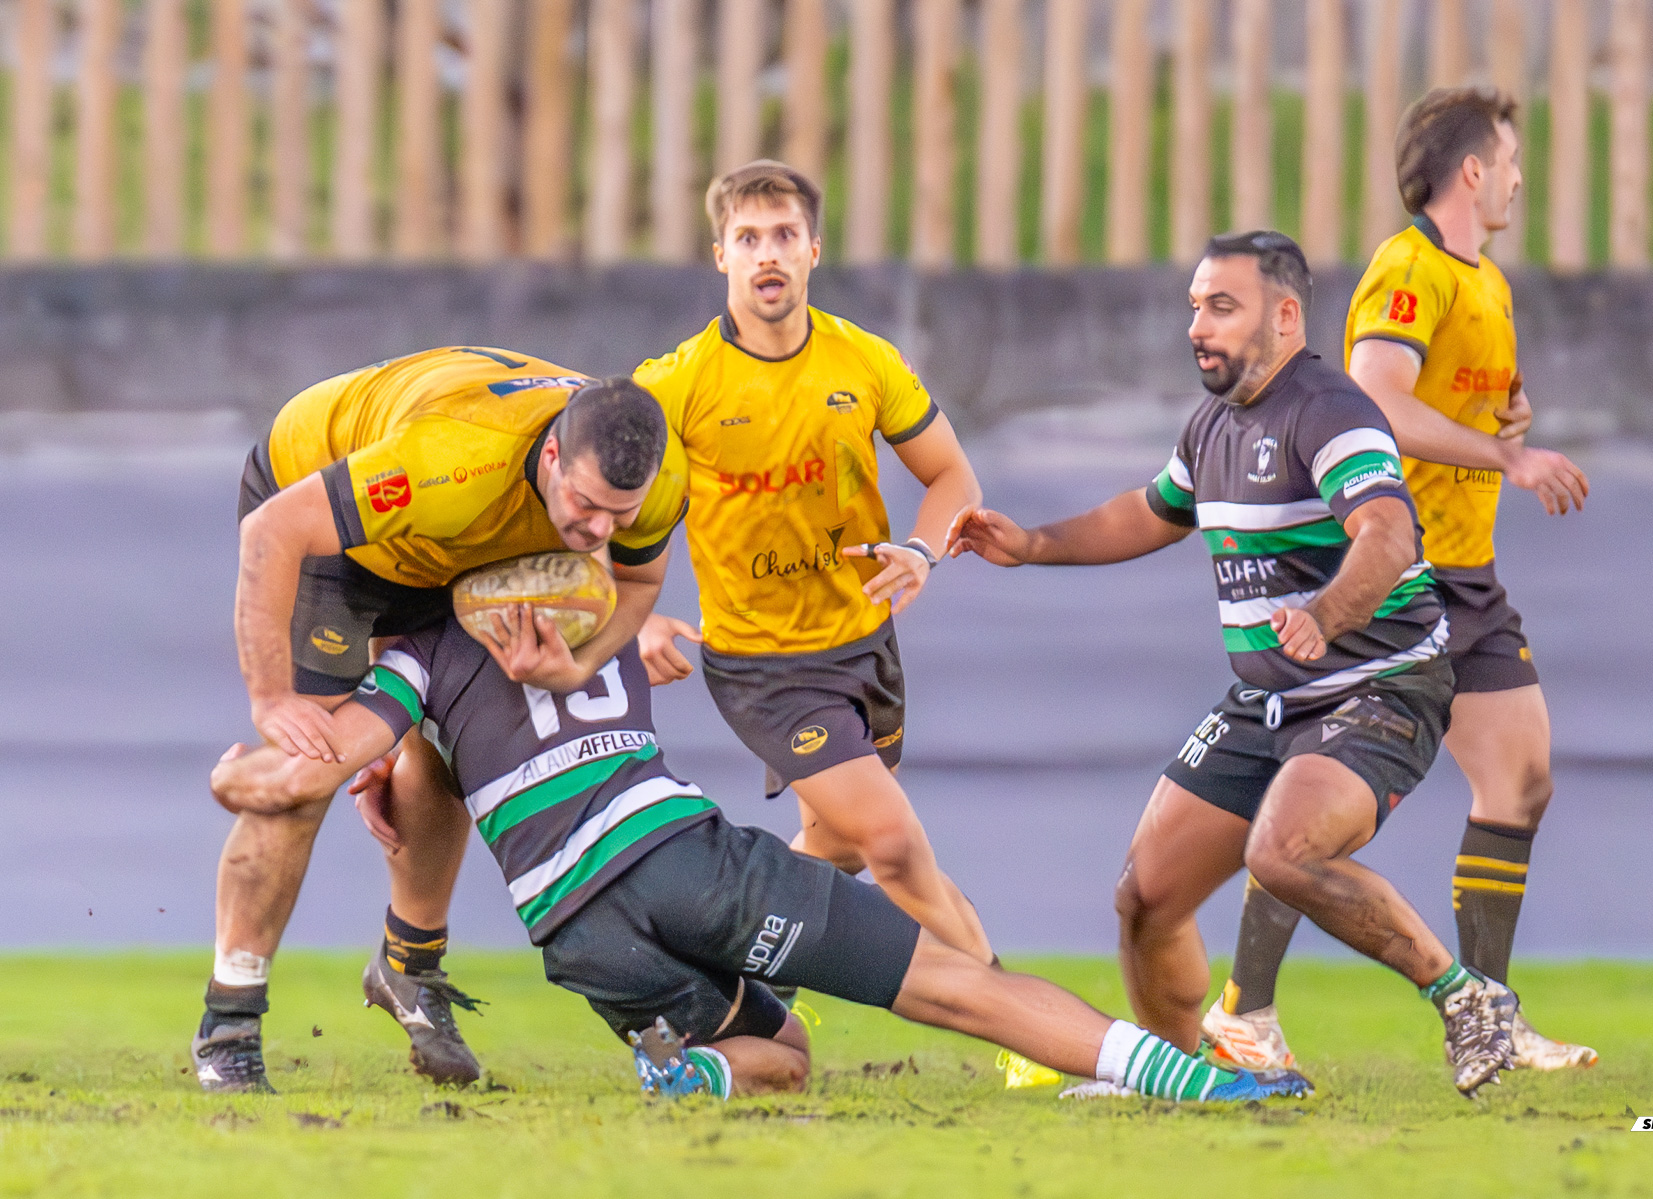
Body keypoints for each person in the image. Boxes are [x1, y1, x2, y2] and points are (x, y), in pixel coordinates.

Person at [206, 605, 1312, 1107]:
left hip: (576, 933)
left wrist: (234, 777)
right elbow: (652, 636)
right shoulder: (602, 599)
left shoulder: (417, 654)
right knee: (954, 986)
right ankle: (1194, 1082)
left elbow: (321, 766)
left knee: (783, 1052)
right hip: (677, 858)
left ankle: (685, 1070)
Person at [953, 232, 1518, 1097]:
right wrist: (1031, 543)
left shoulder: (1329, 410)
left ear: (1285, 316)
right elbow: (1148, 512)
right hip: (1269, 699)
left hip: (1379, 686)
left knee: (1284, 851)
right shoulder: (1214, 425)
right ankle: (1198, 1077)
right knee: (1145, 896)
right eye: (1194, 307)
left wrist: (1325, 614)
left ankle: (1463, 994)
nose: (1198, 326)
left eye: (1222, 306)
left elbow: (1388, 531)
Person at [1204, 88, 1596, 1075]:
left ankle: (1493, 1016)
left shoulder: (1487, 283)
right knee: (1314, 805)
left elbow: (1450, 402)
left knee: (1520, 776)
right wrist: (1511, 459)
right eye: (1506, 158)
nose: (1515, 175)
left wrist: (1500, 429)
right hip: (1390, 575)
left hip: (1468, 570)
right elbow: (1376, 396)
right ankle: (1243, 1005)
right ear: (1471, 170)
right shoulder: (1409, 268)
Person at [192, 357, 687, 1092]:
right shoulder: (451, 458)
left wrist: (577, 670)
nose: (598, 531)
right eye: (586, 506)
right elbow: (273, 530)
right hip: (329, 521)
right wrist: (271, 699)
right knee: (306, 770)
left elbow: (639, 581)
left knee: (449, 749)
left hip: (458, 546)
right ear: (552, 455)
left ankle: (408, 965)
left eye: (619, 514)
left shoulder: (652, 465)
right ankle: (228, 1021)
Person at [628, 161, 994, 964]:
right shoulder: (674, 384)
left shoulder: (862, 359)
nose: (768, 254)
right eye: (749, 237)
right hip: (763, 665)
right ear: (720, 253)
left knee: (838, 848)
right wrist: (632, 617)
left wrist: (924, 550)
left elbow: (952, 475)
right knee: (893, 841)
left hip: (864, 644)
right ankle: (1012, 1009)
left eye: (784, 236)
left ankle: (720, 986)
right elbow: (582, 499)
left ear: (814, 250)